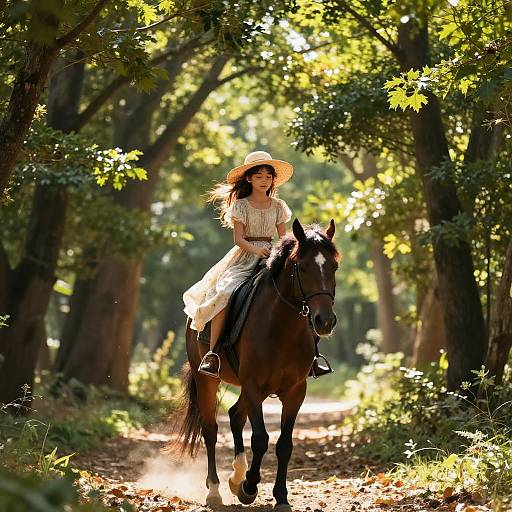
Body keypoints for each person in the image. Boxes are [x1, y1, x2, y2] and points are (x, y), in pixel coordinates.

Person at [183, 150, 332, 378]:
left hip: (273, 256)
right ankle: (212, 355)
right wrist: (257, 250)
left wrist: (276, 252)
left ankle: (311, 356)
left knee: (299, 294)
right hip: (244, 256)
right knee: (225, 292)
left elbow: (285, 237)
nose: (264, 180)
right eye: (259, 176)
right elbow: (238, 239)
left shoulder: (278, 206)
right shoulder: (241, 206)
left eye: (268, 176)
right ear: (249, 179)